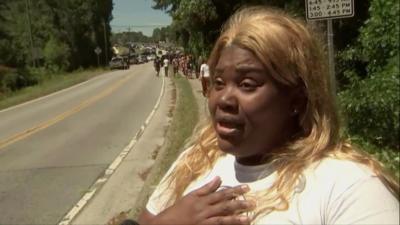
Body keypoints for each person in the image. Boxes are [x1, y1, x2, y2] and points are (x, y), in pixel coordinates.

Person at [136, 6, 399, 225]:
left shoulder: (349, 187)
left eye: (247, 84)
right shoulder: (196, 159)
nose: (224, 99)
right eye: (218, 83)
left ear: (296, 99)